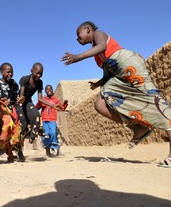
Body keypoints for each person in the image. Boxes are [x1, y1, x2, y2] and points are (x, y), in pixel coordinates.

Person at [61, 21, 171, 167]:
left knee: (155, 102)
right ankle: (138, 128)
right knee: (100, 103)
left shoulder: (99, 35)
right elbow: (108, 73)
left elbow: (103, 47)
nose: (77, 39)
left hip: (129, 64)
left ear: (88, 30)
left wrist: (77, 57)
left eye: (78, 34)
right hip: (117, 75)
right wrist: (98, 83)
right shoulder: (96, 56)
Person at [16, 63, 61, 144]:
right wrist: (21, 97)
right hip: (19, 102)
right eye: (37, 73)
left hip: (28, 101)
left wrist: (53, 105)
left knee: (36, 115)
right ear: (31, 71)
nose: (39, 75)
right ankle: (19, 148)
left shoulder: (39, 82)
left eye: (41, 73)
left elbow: (40, 98)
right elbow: (22, 95)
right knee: (24, 124)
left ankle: (32, 136)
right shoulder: (24, 79)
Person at [36, 85, 68, 157]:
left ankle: (56, 150)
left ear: (52, 90)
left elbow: (62, 108)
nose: (49, 91)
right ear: (45, 91)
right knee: (46, 135)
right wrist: (39, 101)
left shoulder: (55, 100)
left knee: (53, 133)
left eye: (50, 89)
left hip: (52, 120)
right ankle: (48, 152)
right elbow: (37, 107)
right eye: (47, 90)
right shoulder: (43, 99)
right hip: (45, 120)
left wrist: (65, 104)